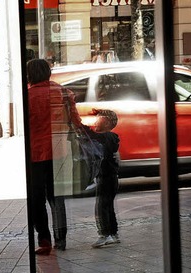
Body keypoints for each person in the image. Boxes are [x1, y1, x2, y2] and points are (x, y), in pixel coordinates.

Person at [26, 58, 84, 255]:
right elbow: (76, 121)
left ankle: (44, 240)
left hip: (36, 153)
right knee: (56, 196)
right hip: (59, 151)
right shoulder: (63, 92)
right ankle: (61, 239)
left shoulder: (29, 96)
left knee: (37, 198)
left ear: (30, 75)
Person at [83, 109, 121, 248]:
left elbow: (90, 133)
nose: (95, 122)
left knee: (101, 206)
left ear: (106, 124)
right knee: (108, 206)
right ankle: (114, 233)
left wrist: (79, 124)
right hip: (110, 177)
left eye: (99, 120)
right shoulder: (109, 136)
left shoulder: (106, 137)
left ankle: (104, 234)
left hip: (106, 177)